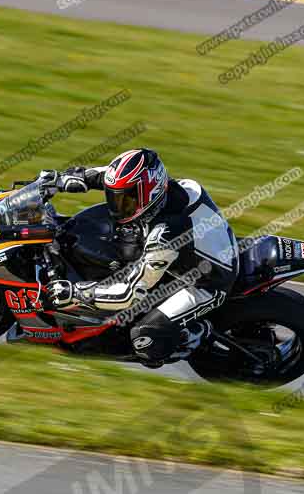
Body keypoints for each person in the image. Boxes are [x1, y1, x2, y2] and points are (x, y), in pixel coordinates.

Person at [42, 148, 239, 368]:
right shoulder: (169, 189)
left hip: (206, 283)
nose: (117, 206)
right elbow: (109, 176)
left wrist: (77, 293)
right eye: (115, 198)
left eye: (126, 200)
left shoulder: (165, 234)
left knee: (145, 339)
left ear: (150, 194)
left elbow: (129, 294)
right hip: (196, 252)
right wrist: (64, 179)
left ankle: (195, 334)